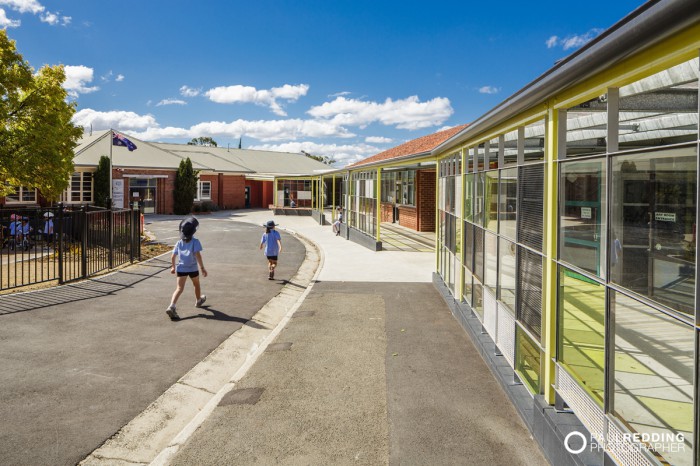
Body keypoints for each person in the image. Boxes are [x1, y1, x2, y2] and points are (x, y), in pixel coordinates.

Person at [166, 216, 208, 321]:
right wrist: (202, 268)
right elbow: (198, 255)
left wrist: (173, 267)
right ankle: (198, 300)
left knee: (179, 288)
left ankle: (172, 306)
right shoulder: (195, 242)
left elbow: (173, 256)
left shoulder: (179, 243)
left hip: (181, 268)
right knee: (196, 284)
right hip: (193, 268)